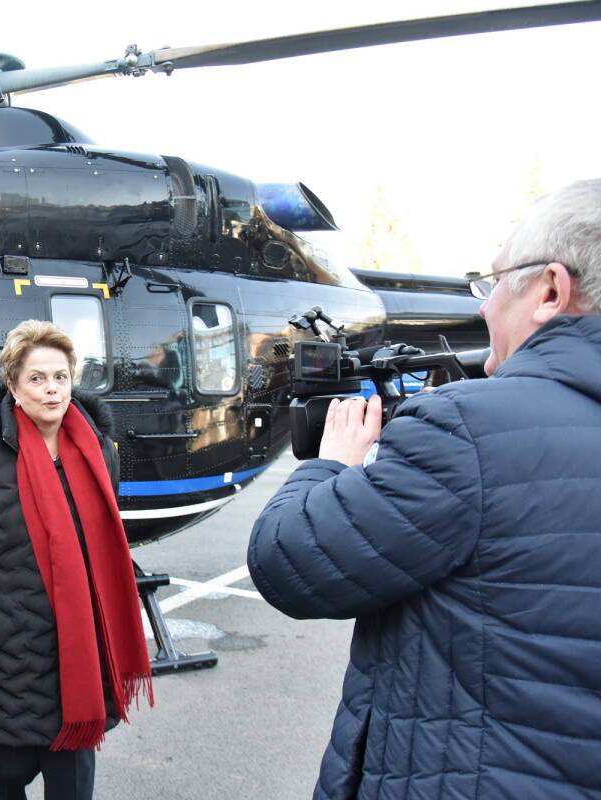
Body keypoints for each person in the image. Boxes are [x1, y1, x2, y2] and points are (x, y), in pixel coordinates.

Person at [247, 180, 601, 799]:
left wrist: (332, 465)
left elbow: (289, 563)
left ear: (550, 290)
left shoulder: (469, 429)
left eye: (493, 283)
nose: (484, 308)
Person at [0, 320, 152, 800]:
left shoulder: (98, 451)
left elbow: (104, 534)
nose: (52, 389)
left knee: (72, 777)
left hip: (82, 638)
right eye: (37, 378)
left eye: (60, 377)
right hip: (9, 642)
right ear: (13, 386)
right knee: (8, 770)